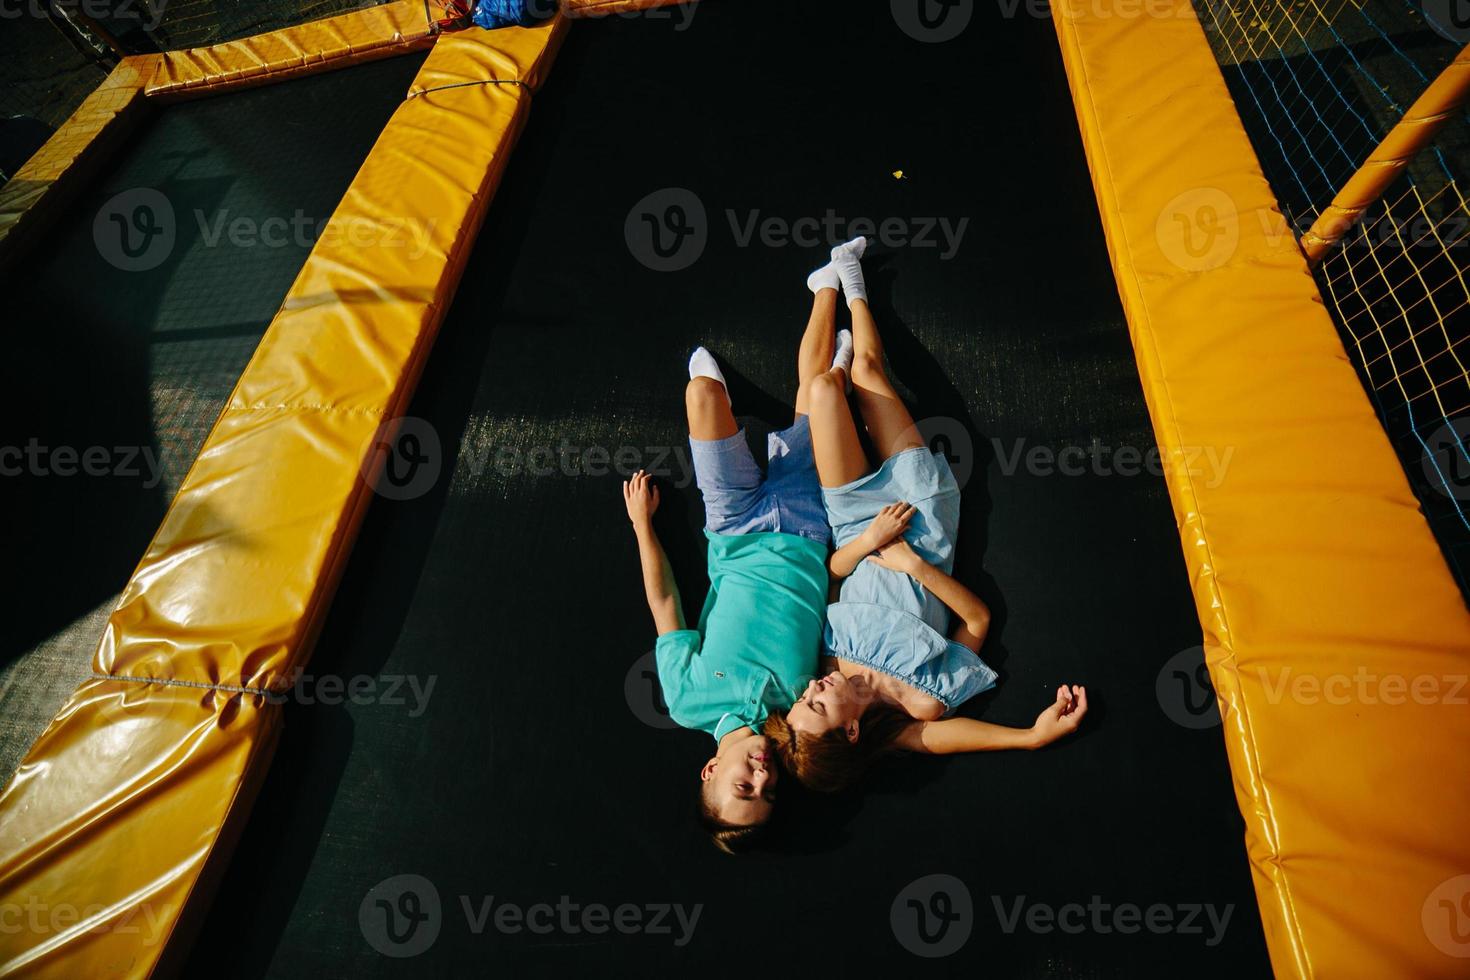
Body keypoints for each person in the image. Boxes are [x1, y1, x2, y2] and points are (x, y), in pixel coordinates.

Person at [763, 238, 1089, 792]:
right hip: (920, 516)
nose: (808, 690)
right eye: (816, 705)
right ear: (849, 734)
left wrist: (870, 540)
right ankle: (855, 287)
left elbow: (831, 573)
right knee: (870, 371)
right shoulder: (922, 701)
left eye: (803, 699)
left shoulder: (823, 661)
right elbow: (979, 622)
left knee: (819, 390)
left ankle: (834, 362)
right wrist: (1029, 737)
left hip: (857, 525)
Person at [623, 249, 911, 851]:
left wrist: (643, 526)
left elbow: (664, 602)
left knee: (701, 392)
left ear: (710, 772)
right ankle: (826, 287)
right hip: (809, 527)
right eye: (769, 790)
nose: (761, 776)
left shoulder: (685, 702)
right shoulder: (800, 721)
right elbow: (891, 726)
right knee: (820, 391)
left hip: (733, 528)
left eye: (744, 787)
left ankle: (760, 385)